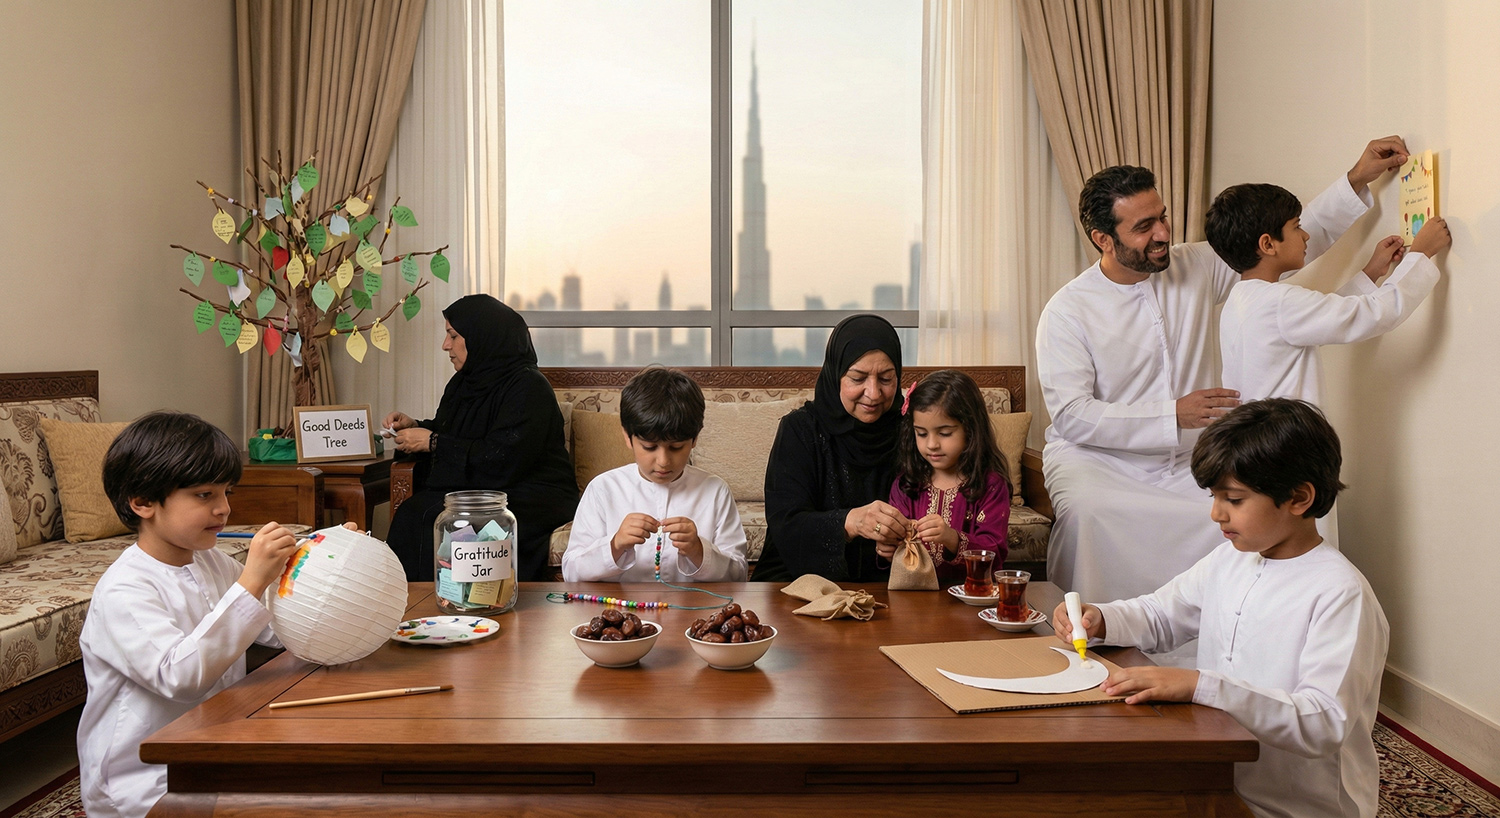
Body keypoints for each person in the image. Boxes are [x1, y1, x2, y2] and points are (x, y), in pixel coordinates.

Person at [1034, 136, 1408, 605]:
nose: (1163, 234)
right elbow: (1072, 416)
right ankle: (1090, 631)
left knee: (1239, 512)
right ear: (1103, 239)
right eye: (1144, 226)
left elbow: (1274, 241)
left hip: (1188, 458)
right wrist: (1172, 414)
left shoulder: (1193, 265)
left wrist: (1356, 179)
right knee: (1091, 515)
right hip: (1098, 462)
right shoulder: (1067, 311)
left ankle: (1210, 644)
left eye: (1163, 216)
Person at [1051, 399, 1388, 818]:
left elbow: (1323, 722)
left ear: (1299, 498)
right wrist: (1101, 618)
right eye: (1214, 497)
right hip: (1217, 777)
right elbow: (1161, 613)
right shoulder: (1232, 559)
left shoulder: (1340, 594)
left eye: (1233, 499)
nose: (1216, 514)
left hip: (1298, 806)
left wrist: (1199, 685)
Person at [78, 412, 298, 818]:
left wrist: (324, 566)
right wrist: (251, 582)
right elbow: (181, 677)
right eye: (204, 495)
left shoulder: (210, 561)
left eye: (226, 492)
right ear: (142, 502)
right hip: (144, 782)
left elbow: (277, 630)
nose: (224, 509)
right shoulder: (124, 590)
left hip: (208, 752)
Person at [384, 294, 578, 582]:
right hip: (482, 486)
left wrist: (432, 442)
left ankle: (460, 603)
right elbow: (456, 432)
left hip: (530, 491)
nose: (445, 345)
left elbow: (504, 456)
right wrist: (417, 426)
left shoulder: (528, 387)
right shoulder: (464, 382)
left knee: (452, 521)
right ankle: (412, 604)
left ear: (481, 337)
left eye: (453, 335)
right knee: (415, 512)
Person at [1211, 182, 1449, 406]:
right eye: (1297, 226)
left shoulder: (1239, 302)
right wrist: (1420, 253)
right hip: (1287, 442)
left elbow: (1322, 317)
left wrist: (1371, 272)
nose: (1306, 235)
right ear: (1268, 245)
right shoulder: (1279, 302)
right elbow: (1373, 314)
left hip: (1256, 443)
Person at [755, 314, 910, 582]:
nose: (873, 393)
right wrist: (849, 522)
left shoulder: (912, 431)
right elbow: (787, 524)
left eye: (886, 379)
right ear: (835, 374)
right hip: (799, 577)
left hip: (889, 578)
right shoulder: (800, 430)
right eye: (858, 378)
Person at [561, 367, 747, 582]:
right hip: (620, 612)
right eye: (649, 447)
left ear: (695, 439)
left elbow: (739, 575)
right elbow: (571, 571)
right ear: (627, 437)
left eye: (676, 447)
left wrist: (699, 551)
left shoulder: (714, 491)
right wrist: (615, 545)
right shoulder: (604, 488)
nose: (663, 461)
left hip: (695, 612)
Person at [888, 370, 1011, 584]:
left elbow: (995, 552)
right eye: (922, 433)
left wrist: (953, 539)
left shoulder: (990, 486)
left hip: (971, 597)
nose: (932, 444)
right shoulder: (906, 484)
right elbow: (894, 546)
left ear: (970, 430)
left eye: (944, 433)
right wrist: (887, 545)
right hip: (913, 596)